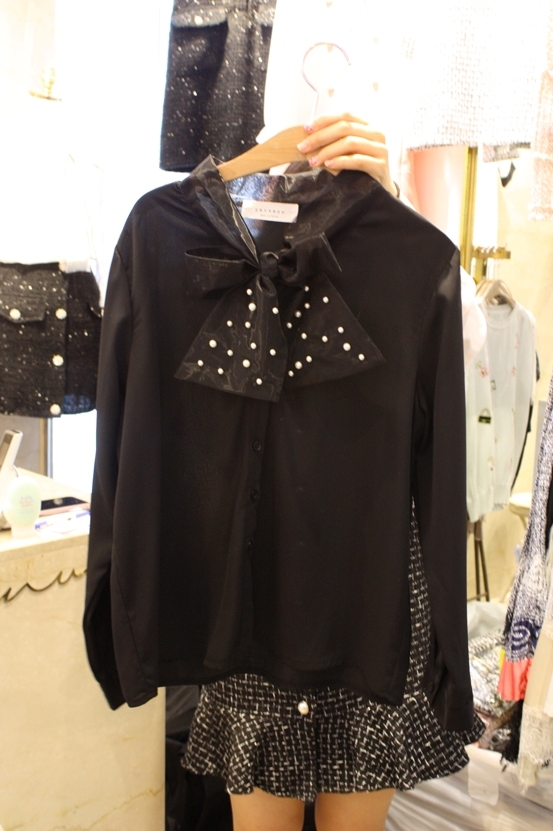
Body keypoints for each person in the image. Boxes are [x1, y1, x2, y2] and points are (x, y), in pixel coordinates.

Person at [180, 112, 482, 831]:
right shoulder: (203, 248)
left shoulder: (405, 251)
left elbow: (458, 358)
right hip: (254, 590)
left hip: (371, 593)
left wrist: (391, 205)